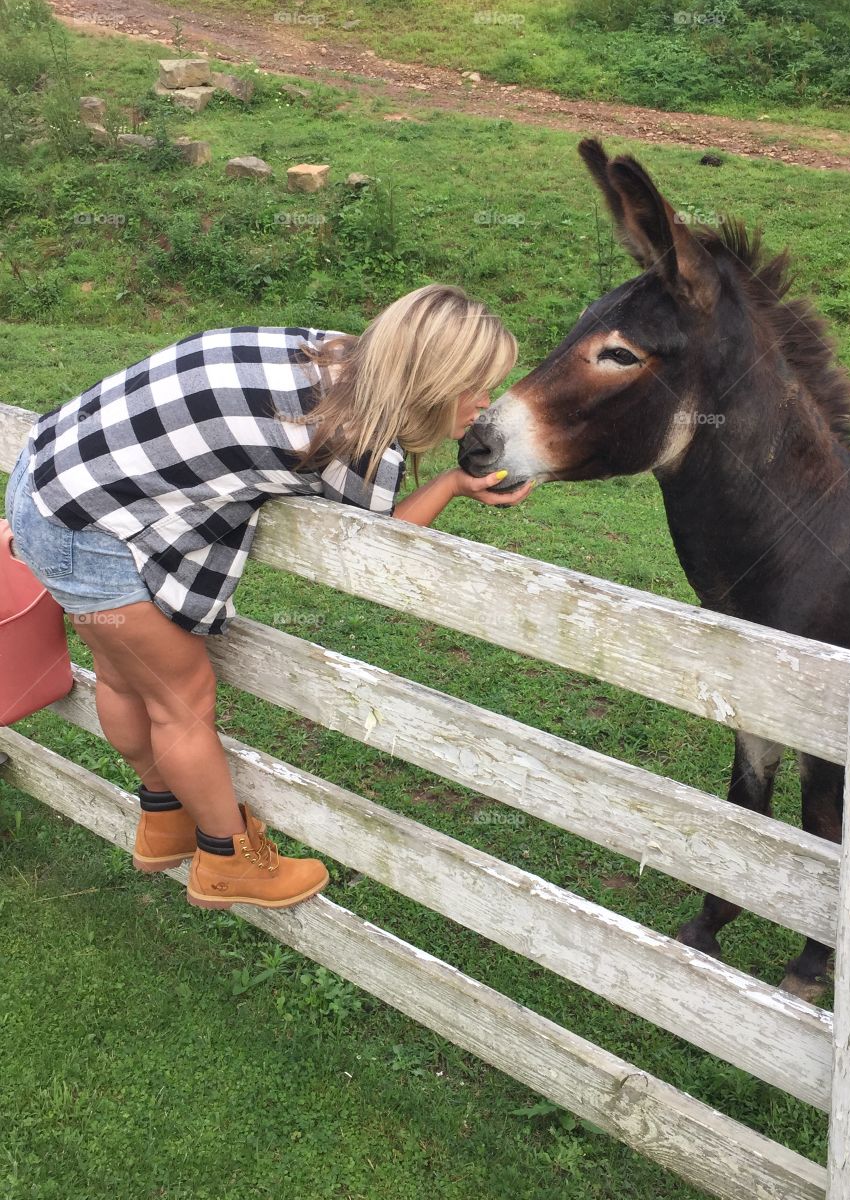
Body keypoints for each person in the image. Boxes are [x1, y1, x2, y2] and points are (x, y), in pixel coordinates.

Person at [4, 284, 531, 911]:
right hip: (87, 531)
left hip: (47, 484)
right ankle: (228, 862)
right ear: (432, 378)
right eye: (475, 387)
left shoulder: (330, 353)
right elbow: (379, 541)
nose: (484, 405)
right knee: (182, 701)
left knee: (124, 681)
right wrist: (451, 484)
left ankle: (165, 820)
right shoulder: (356, 438)